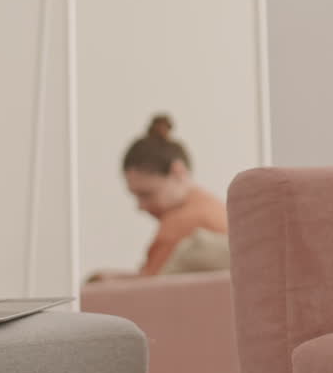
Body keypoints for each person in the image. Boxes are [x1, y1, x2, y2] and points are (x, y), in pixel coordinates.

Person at [87, 115, 228, 283]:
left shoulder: (182, 223)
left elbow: (151, 291)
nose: (141, 206)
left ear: (178, 172)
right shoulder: (215, 208)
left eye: (146, 194)